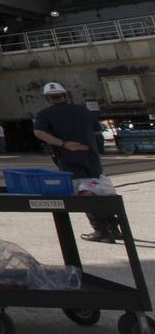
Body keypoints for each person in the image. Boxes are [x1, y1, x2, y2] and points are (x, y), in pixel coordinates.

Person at [32, 82, 122, 243]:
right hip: (91, 157)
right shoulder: (83, 110)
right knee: (101, 191)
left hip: (69, 159)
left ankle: (102, 231)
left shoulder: (44, 114)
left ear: (47, 98)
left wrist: (63, 143)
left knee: (85, 194)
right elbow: (97, 131)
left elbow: (39, 132)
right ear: (65, 95)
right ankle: (114, 229)